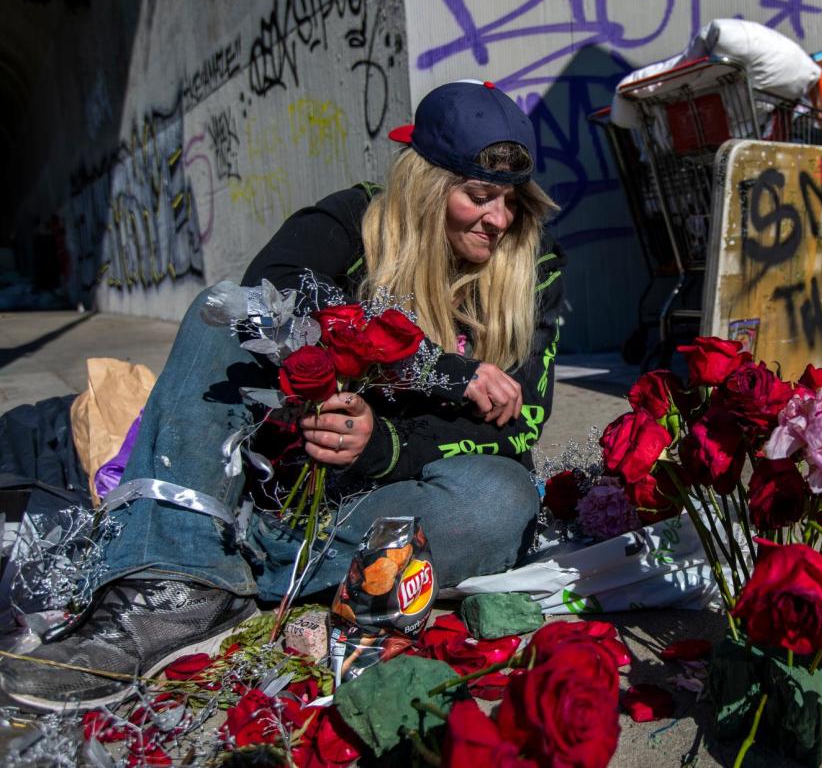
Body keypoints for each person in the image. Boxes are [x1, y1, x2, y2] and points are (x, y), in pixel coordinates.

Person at [0, 81, 566, 711]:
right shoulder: (357, 218)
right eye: (479, 197)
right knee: (226, 314)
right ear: (428, 188)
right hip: (290, 472)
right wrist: (435, 366)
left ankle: (228, 570)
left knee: (499, 497)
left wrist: (380, 443)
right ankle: (170, 592)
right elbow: (269, 287)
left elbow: (517, 429)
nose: (500, 219)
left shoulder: (534, 268)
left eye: (511, 200)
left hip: (386, 497)